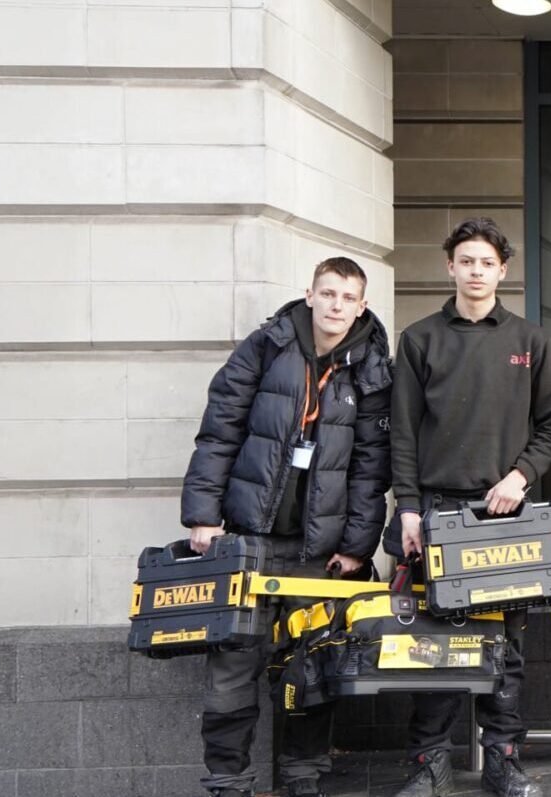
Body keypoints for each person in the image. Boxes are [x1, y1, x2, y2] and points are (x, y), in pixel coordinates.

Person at [181, 257, 391, 797]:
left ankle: (303, 777)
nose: (337, 305)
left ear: (361, 305)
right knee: (232, 666)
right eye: (328, 293)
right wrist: (203, 515)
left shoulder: (371, 365)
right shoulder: (267, 346)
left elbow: (372, 467)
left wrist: (356, 545)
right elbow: (219, 430)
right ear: (310, 294)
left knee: (311, 667)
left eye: (348, 297)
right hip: (250, 537)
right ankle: (229, 780)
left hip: (320, 551)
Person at [385, 218, 551, 797]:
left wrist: (520, 476)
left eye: (487, 262)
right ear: (450, 266)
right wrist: (408, 509)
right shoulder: (418, 339)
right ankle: (429, 763)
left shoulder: (531, 342)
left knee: (506, 649)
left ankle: (505, 760)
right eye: (466, 261)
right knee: (432, 648)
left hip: (505, 517)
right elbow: (403, 435)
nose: (476, 271)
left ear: (502, 270)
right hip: (436, 512)